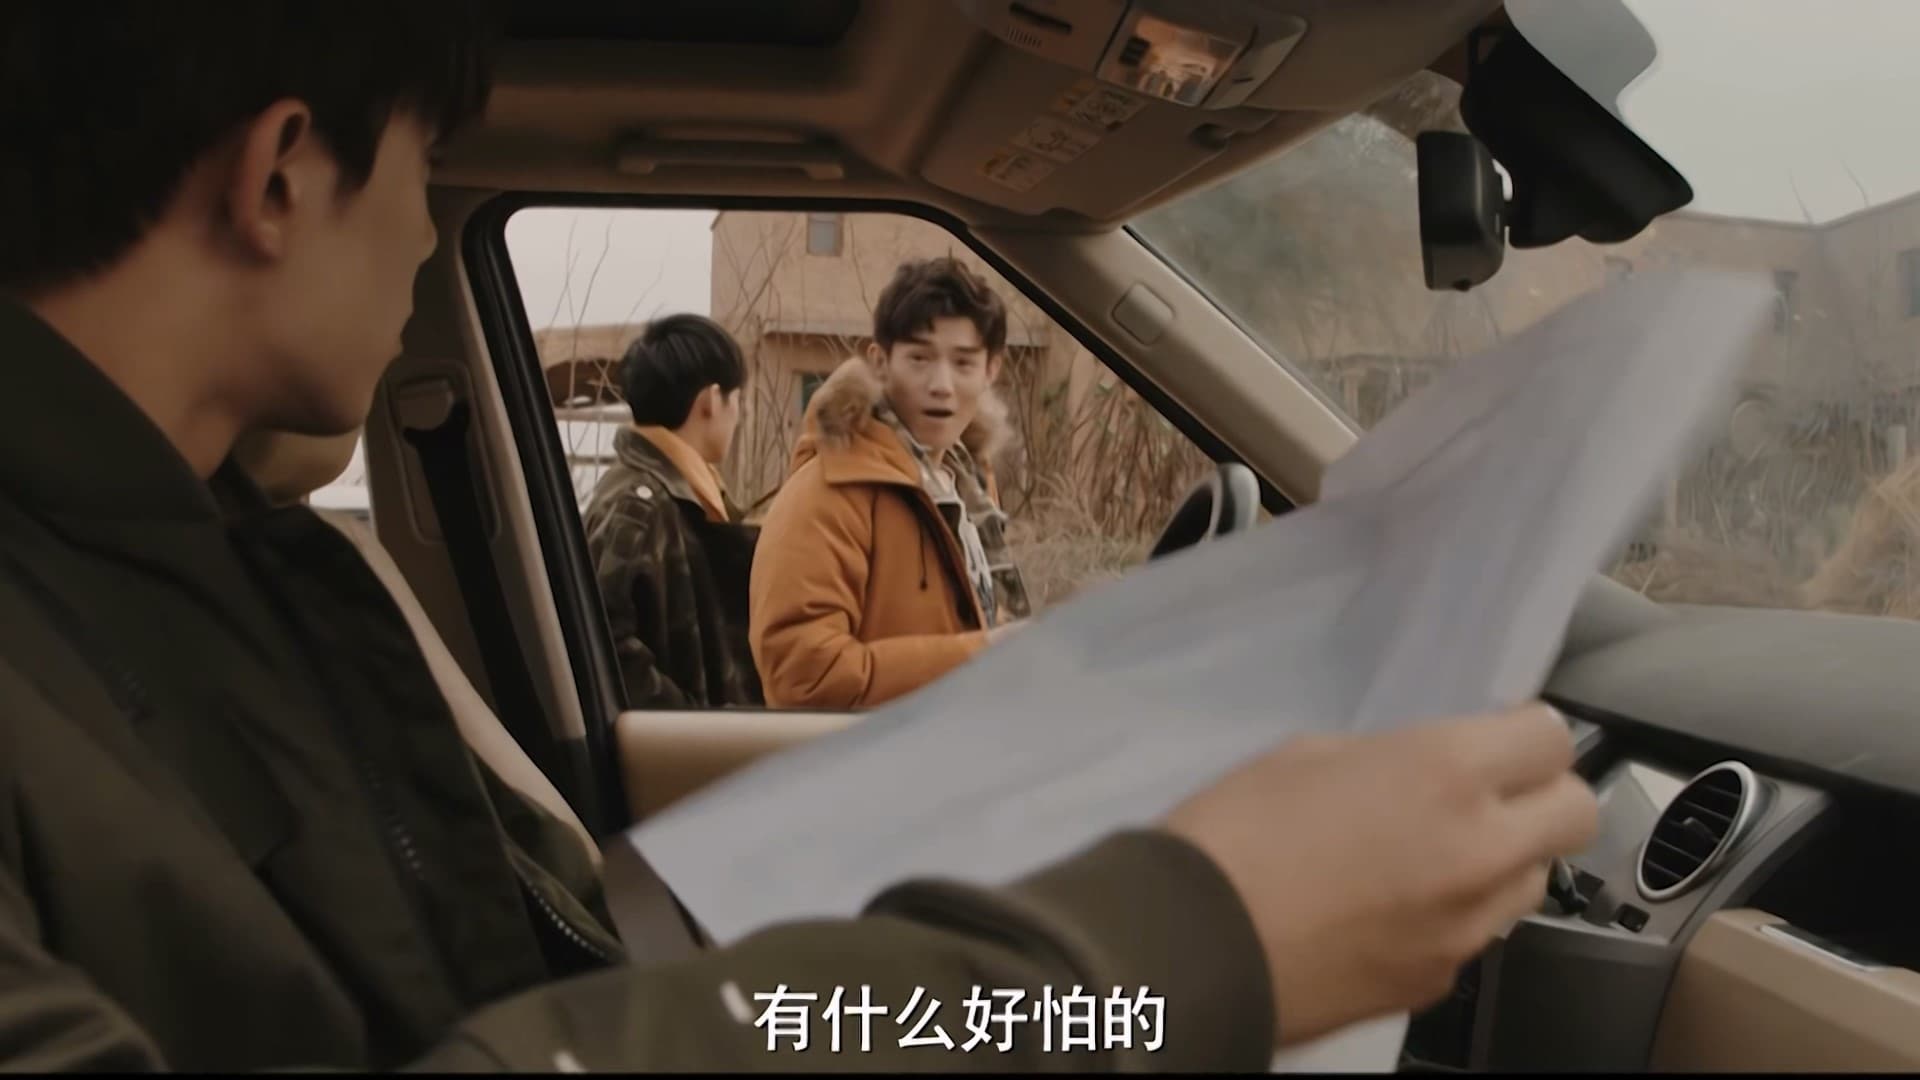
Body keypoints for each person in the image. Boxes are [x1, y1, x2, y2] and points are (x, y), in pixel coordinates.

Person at [0, 2, 1597, 1071]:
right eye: (421, 174)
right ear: (283, 177)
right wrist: (1173, 953)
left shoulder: (247, 573)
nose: (423, 231)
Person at [750, 257, 1034, 709]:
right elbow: (803, 679)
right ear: (880, 363)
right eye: (919, 358)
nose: (941, 385)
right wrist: (981, 657)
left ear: (991, 370)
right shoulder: (825, 495)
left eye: (964, 362)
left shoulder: (969, 487)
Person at [582, 314, 762, 708]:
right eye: (738, 399)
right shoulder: (641, 507)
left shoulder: (683, 498)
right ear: (711, 402)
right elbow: (603, 647)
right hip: (678, 744)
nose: (740, 414)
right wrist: (687, 720)